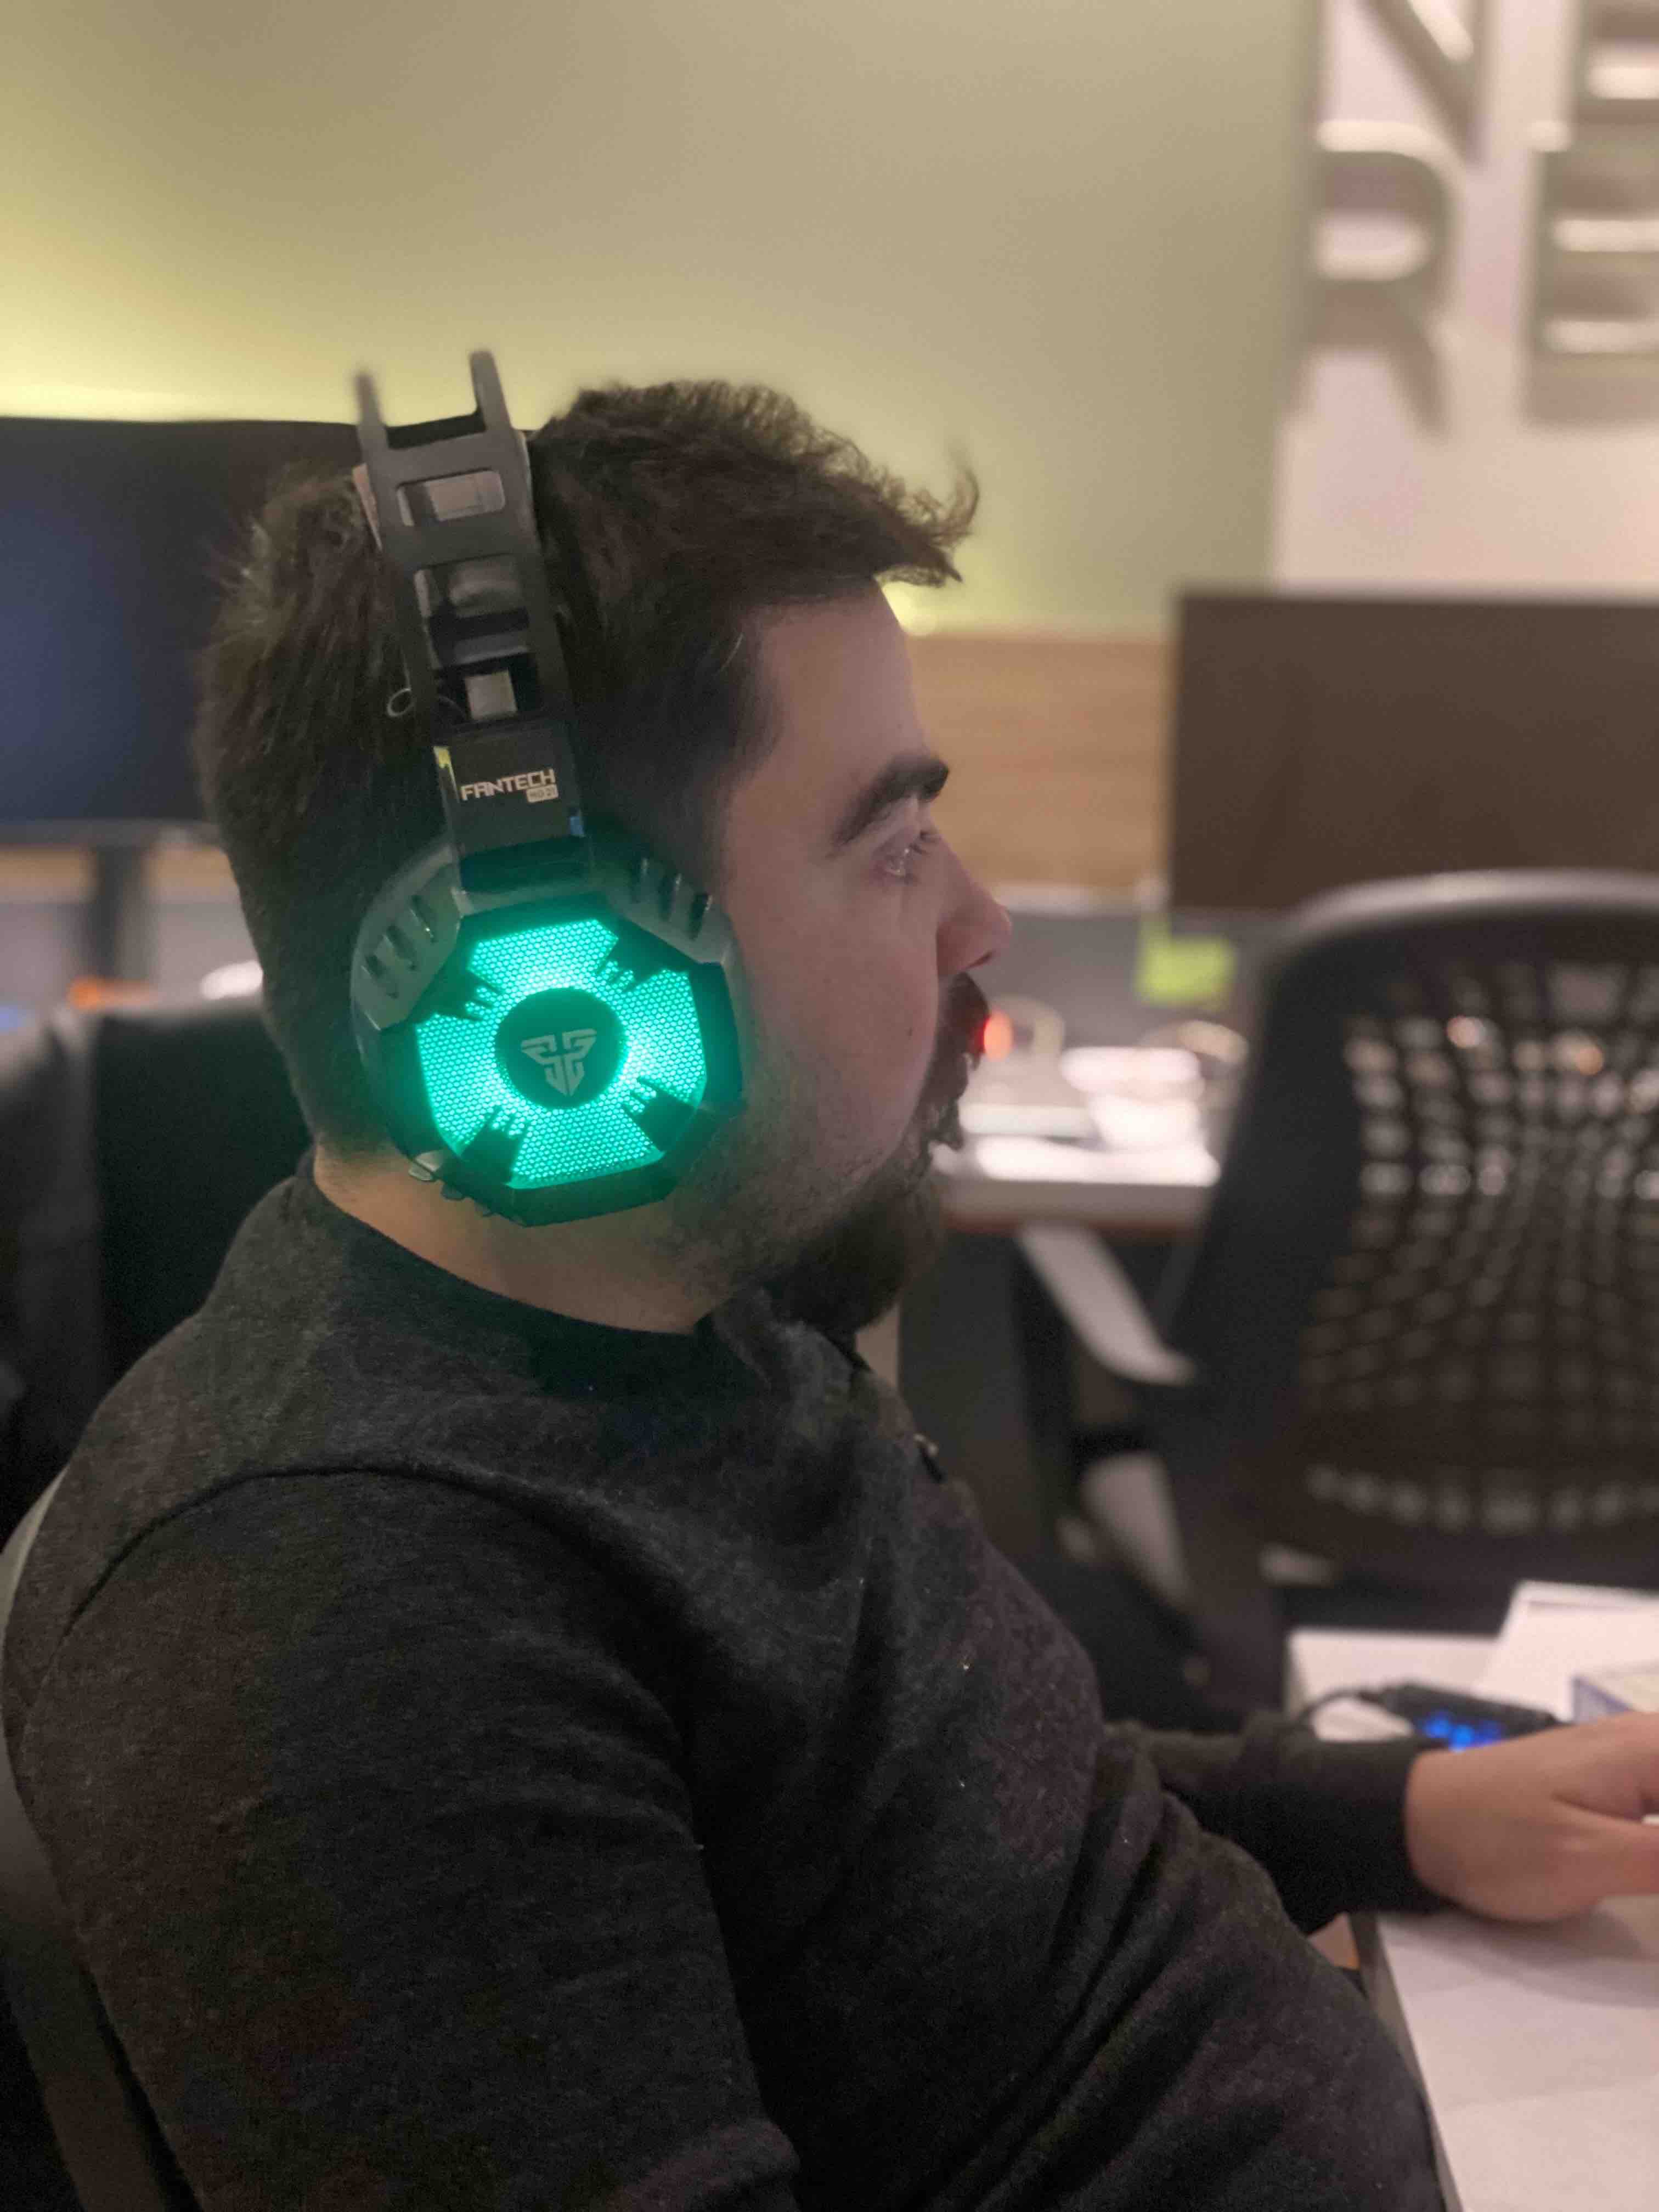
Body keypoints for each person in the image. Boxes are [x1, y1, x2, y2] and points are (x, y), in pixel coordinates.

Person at [8, 374, 1659, 2212]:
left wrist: (1404, 1813)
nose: (978, 921)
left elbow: (935, 1823)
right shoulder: (353, 1630)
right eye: (891, 844)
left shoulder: (669, 1322)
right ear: (565, 993)